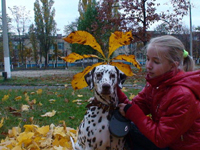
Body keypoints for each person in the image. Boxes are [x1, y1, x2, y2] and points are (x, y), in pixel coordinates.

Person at [117, 35, 200, 150]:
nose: (148, 66)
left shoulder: (183, 95)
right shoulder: (156, 84)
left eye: (156, 61)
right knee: (126, 128)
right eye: (147, 59)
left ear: (172, 66)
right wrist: (114, 89)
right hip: (169, 142)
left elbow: (161, 138)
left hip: (179, 146)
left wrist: (132, 112)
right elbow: (132, 107)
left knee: (129, 131)